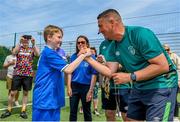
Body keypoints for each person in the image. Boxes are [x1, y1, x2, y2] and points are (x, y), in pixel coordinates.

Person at [84, 9, 178, 121]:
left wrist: (130, 76)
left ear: (113, 23)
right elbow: (110, 72)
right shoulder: (113, 46)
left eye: (101, 26)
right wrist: (88, 59)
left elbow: (162, 66)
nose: (99, 31)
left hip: (162, 86)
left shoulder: (140, 34)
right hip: (139, 87)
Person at [32, 25, 91, 121]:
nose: (61, 40)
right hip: (45, 99)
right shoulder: (48, 53)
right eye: (59, 37)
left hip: (52, 98)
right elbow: (69, 69)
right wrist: (83, 55)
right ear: (49, 37)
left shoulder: (53, 53)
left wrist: (80, 56)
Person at [1, 35, 40, 119]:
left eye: (27, 40)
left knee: (25, 93)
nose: (26, 41)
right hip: (17, 73)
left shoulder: (31, 49)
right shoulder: (19, 48)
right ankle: (8, 110)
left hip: (28, 74)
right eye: (24, 40)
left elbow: (38, 54)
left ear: (29, 41)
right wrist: (19, 42)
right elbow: (14, 52)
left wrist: (34, 44)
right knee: (12, 93)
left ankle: (23, 110)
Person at [97, 40, 131, 121]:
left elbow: (127, 64)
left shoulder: (122, 42)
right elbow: (101, 65)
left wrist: (107, 64)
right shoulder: (103, 44)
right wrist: (99, 63)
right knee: (109, 114)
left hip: (123, 85)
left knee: (126, 115)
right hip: (107, 86)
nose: (103, 33)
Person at [67, 35, 98, 121]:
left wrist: (90, 91)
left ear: (87, 44)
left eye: (83, 42)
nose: (80, 44)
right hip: (74, 87)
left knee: (87, 112)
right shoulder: (73, 57)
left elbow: (94, 74)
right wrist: (69, 87)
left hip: (86, 87)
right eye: (78, 42)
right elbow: (69, 72)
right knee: (73, 112)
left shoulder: (92, 57)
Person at [163, 44, 180, 121]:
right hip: (164, 83)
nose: (166, 51)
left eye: (167, 49)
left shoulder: (174, 56)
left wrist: (179, 80)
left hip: (174, 82)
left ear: (169, 49)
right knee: (165, 100)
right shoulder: (161, 57)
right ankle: (166, 117)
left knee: (173, 99)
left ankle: (175, 117)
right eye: (165, 50)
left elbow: (179, 67)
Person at [90, 47, 100, 116]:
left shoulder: (98, 60)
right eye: (91, 52)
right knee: (86, 94)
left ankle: (95, 109)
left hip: (96, 81)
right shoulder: (87, 59)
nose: (92, 53)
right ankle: (82, 107)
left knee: (95, 95)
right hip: (88, 81)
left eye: (93, 52)